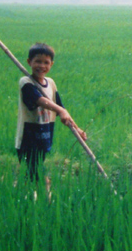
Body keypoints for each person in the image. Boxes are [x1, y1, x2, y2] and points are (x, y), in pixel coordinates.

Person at [16, 43, 86, 186]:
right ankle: (46, 199)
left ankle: (27, 195)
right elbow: (40, 100)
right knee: (37, 173)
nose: (42, 66)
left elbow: (61, 106)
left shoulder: (51, 83)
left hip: (44, 134)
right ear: (29, 62)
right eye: (37, 61)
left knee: (32, 173)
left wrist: (77, 128)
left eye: (46, 62)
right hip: (28, 137)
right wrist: (60, 111)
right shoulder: (26, 82)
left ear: (51, 64)